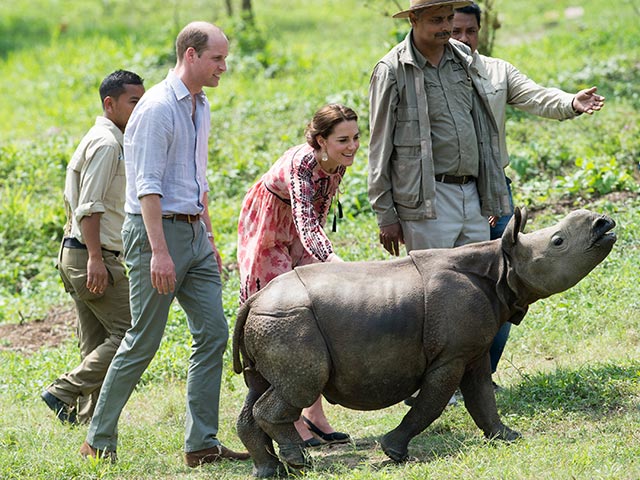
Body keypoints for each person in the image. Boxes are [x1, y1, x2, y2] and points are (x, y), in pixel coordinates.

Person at [79, 22, 249, 467]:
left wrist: (209, 236)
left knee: (213, 333)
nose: (224, 68)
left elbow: (198, 178)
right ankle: (98, 438)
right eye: (217, 59)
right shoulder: (155, 107)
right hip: (157, 232)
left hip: (193, 232)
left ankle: (202, 445)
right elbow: (147, 187)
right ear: (190, 56)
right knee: (143, 340)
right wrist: (158, 251)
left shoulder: (201, 103)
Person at [452, 2, 605, 382]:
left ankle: (481, 375)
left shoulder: (496, 72)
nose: (463, 39)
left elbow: (537, 95)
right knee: (453, 288)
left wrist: (571, 102)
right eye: (454, 31)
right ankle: (443, 376)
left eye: (470, 31)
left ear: (480, 33)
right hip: (446, 195)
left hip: (494, 191)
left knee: (509, 282)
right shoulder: (424, 77)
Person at [237, 103, 359, 447]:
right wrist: (333, 260)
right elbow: (305, 221)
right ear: (320, 140)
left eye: (355, 138)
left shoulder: (338, 164)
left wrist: (325, 262)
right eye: (342, 140)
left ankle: (314, 415)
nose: (351, 146)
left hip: (302, 231)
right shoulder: (303, 162)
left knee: (313, 319)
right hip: (270, 226)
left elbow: (316, 219)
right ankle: (284, 419)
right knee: (281, 323)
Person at [368, 0, 511, 261]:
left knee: (478, 279)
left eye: (448, 18)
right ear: (413, 19)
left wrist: (490, 191)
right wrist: (385, 214)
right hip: (428, 196)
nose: (446, 27)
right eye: (436, 20)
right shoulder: (392, 70)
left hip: (472, 190)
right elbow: (379, 147)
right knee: (434, 285)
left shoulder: (463, 58)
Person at [41, 70, 144, 425]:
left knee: (96, 340)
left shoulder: (103, 138)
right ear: (109, 103)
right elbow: (90, 206)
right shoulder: (107, 144)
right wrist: (97, 259)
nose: (139, 108)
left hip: (76, 252)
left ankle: (86, 418)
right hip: (91, 253)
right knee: (133, 332)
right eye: (134, 102)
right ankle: (63, 390)